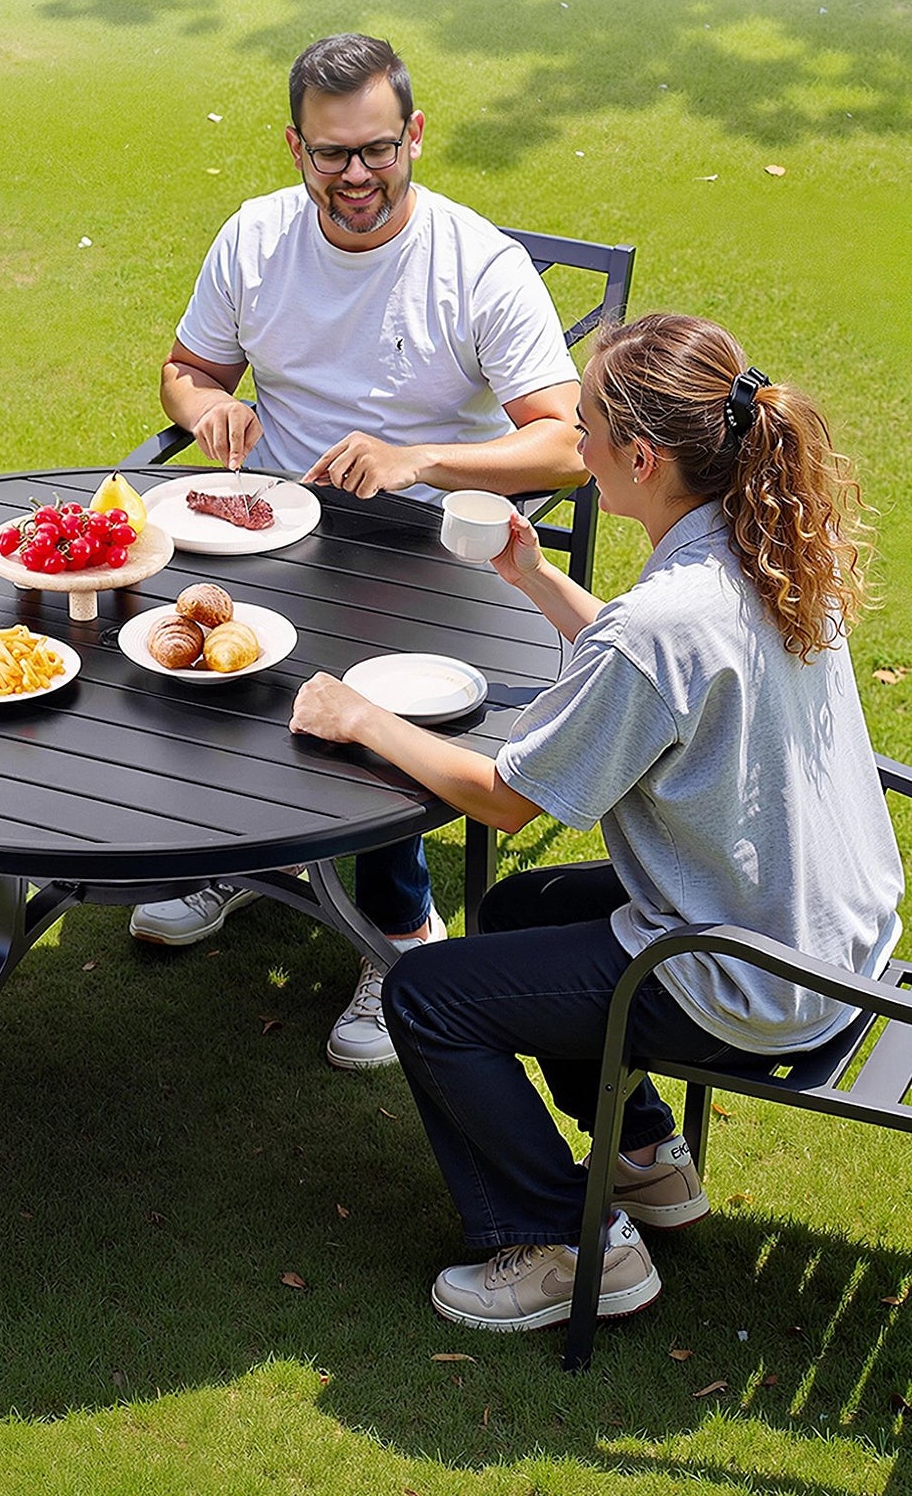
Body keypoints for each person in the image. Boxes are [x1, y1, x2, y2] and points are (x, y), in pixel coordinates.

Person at [289, 312, 903, 1331]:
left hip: (753, 974)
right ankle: (641, 1159)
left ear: (640, 456)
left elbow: (503, 794)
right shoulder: (766, 549)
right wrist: (532, 577)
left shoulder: (664, 620)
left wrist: (357, 715)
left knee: (429, 996)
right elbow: (644, 674)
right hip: (830, 931)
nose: (571, 446)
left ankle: (559, 1245)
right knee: (522, 908)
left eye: (582, 426)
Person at [129, 32, 585, 1070]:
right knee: (182, 641)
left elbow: (562, 443)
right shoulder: (252, 238)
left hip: (427, 543)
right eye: (330, 153)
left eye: (375, 148)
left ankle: (399, 936)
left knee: (371, 677)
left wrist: (419, 460)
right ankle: (225, 856)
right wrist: (208, 412)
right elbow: (186, 367)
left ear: (413, 137)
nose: (354, 176)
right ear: (294, 148)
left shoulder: (475, 263)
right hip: (270, 523)